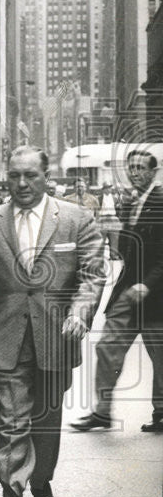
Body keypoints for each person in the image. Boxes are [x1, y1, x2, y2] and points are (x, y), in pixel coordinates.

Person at [0, 145, 105, 497]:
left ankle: (41, 480)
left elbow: (92, 274)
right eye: (14, 176)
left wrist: (79, 312)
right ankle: (11, 496)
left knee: (45, 417)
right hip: (6, 334)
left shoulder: (76, 219)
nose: (22, 184)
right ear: (6, 177)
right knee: (11, 418)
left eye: (30, 176)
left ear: (46, 177)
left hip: (57, 335)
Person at [71, 149, 163, 433]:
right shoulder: (130, 202)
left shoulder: (160, 201)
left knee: (160, 355)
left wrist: (147, 284)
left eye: (140, 168)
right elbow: (124, 250)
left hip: (155, 295)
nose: (134, 173)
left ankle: (161, 412)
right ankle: (102, 411)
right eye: (131, 168)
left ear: (153, 171)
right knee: (108, 346)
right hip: (127, 292)